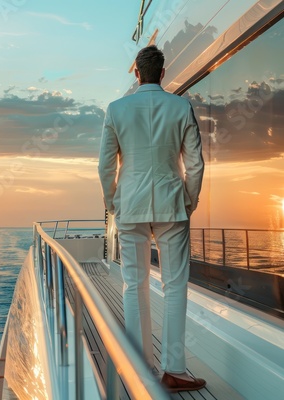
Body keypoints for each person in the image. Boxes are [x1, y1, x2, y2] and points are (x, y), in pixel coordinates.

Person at [98, 45, 205, 392]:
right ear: (162, 73)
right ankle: (174, 369)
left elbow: (104, 165)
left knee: (134, 284)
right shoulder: (180, 106)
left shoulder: (116, 109)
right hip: (172, 204)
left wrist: (113, 201)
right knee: (175, 287)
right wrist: (188, 200)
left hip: (130, 205)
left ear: (136, 73)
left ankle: (141, 369)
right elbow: (195, 164)